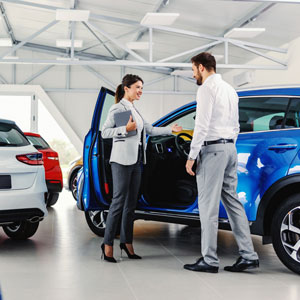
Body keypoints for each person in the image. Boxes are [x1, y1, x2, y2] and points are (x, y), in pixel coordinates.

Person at [183, 52, 259, 273]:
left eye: (193, 69)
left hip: (213, 150)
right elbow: (236, 125)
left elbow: (202, 125)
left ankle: (209, 259)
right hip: (229, 149)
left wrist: (192, 156)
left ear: (201, 67)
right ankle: (248, 255)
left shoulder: (206, 89)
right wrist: (228, 146)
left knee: (207, 207)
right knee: (233, 203)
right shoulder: (229, 89)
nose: (193, 74)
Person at [101, 74, 182, 263]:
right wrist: (124, 130)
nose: (140, 91)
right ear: (126, 88)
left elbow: (150, 129)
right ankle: (107, 245)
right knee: (118, 203)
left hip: (137, 161)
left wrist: (171, 130)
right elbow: (105, 132)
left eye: (142, 88)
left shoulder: (134, 110)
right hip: (121, 161)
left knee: (131, 205)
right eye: (137, 87)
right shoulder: (117, 108)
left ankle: (127, 242)